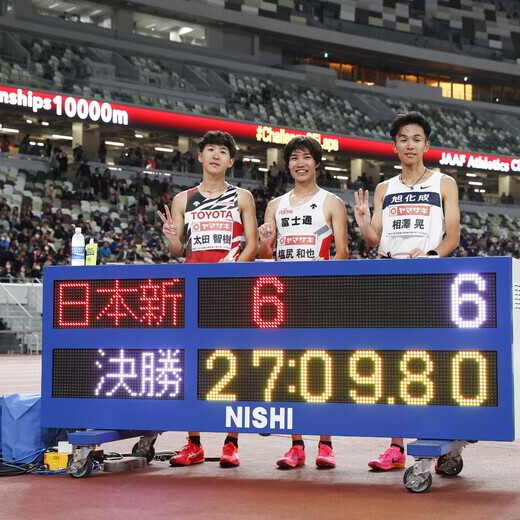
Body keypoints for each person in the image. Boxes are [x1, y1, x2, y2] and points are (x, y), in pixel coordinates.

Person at [353, 111, 460, 470]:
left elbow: (453, 237)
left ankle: (444, 440)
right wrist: (366, 225)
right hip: (389, 279)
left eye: (417, 138)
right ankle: (397, 447)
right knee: (392, 364)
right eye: (403, 138)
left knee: (433, 364)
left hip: (428, 281)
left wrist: (430, 256)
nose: (410, 144)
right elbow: (375, 241)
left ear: (426, 145)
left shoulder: (444, 183)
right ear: (395, 146)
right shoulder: (385, 189)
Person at [157, 130, 258, 468]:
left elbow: (253, 246)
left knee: (233, 365)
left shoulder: (242, 197)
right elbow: (177, 249)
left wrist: (231, 278)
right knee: (193, 367)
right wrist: (172, 237)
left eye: (223, 151)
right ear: (199, 156)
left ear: (231, 161)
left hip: (230, 290)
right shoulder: (183, 200)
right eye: (209, 150)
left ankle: (231, 443)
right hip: (194, 291)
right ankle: (194, 443)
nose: (216, 155)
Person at [258, 135, 348, 469]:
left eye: (306, 157)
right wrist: (266, 245)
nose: (300, 163)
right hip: (283, 298)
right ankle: (296, 446)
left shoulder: (332, 203)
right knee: (289, 371)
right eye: (294, 157)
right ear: (288, 165)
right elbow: (267, 255)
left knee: (321, 370)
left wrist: (324, 286)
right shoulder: (274, 206)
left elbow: (342, 254)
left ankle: (326, 444)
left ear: (317, 163)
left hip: (319, 296)